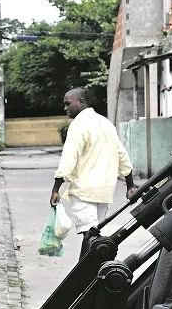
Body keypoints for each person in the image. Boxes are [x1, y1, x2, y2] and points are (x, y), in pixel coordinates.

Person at [50, 88, 136, 256]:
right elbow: (122, 154)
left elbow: (69, 159)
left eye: (68, 104)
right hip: (104, 192)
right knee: (92, 235)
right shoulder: (105, 123)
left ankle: (88, 273)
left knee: (90, 237)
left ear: (81, 102)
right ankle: (85, 274)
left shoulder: (78, 125)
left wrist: (55, 189)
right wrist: (130, 185)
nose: (65, 108)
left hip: (84, 191)